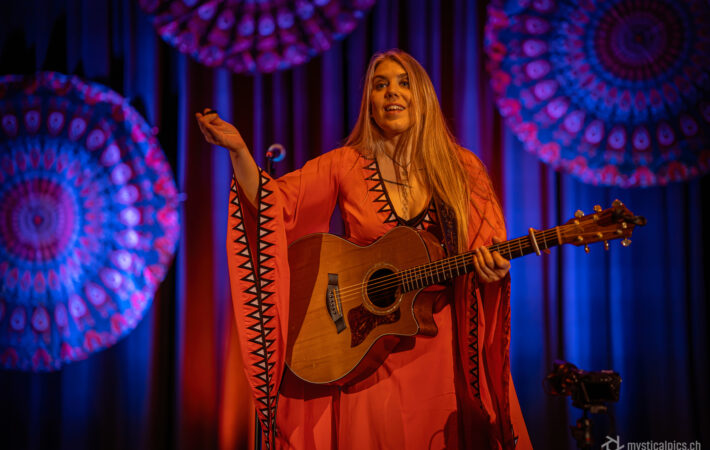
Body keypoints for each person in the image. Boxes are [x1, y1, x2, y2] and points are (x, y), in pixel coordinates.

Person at [196, 49, 532, 449]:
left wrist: (493, 271)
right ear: (369, 102)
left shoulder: (461, 168)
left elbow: (487, 247)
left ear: (423, 96)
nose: (393, 92)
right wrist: (239, 152)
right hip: (365, 352)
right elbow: (274, 205)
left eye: (404, 83)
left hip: (442, 355)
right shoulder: (346, 163)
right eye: (380, 84)